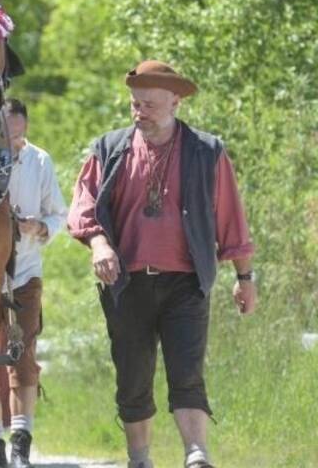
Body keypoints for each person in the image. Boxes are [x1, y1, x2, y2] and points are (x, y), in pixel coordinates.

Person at [66, 61, 256, 468]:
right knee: (132, 377)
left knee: (187, 372)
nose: (141, 112)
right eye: (136, 104)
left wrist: (245, 276)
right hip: (126, 284)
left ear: (175, 101)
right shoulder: (109, 148)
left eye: (150, 105)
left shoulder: (207, 151)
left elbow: (231, 219)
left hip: (185, 284)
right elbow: (83, 206)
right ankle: (139, 459)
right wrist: (99, 244)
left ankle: (196, 454)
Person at [0, 98, 67, 468]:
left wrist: (40, 227)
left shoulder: (39, 160)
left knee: (24, 359)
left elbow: (58, 212)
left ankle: (21, 442)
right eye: (5, 128)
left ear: (25, 127)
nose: (12, 135)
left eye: (17, 127)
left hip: (26, 270)